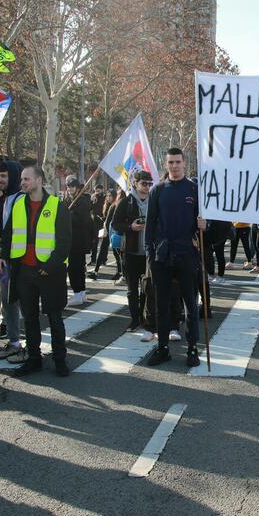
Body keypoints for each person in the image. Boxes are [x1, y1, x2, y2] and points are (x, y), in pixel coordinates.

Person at [0, 165, 72, 377]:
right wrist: (2, 255)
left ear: (39, 180)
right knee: (29, 319)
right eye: (22, 179)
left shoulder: (57, 205)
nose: (22, 183)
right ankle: (33, 359)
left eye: (26, 179)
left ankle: (60, 360)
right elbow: (7, 234)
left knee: (55, 318)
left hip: (50, 272)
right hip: (24, 271)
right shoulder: (19, 203)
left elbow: (65, 242)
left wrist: (49, 267)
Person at [143, 148, 206, 367]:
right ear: (165, 164)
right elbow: (149, 225)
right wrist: (150, 254)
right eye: (171, 162)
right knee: (162, 305)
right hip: (162, 256)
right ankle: (162, 348)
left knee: (190, 303)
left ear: (184, 163)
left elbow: (207, 224)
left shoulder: (194, 189)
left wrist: (205, 225)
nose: (174, 166)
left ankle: (192, 348)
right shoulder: (157, 190)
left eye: (178, 161)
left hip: (187, 253)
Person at [0, 162, 26, 363]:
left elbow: (10, 233)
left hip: (8, 260)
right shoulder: (0, 201)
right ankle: (10, 332)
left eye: (4, 176)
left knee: (10, 300)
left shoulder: (20, 200)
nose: (0, 180)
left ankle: (16, 341)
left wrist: (3, 256)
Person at [112, 171, 152, 333]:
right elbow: (115, 224)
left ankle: (143, 316)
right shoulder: (126, 202)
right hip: (130, 252)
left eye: (150, 184)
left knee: (147, 288)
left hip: (149, 253)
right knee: (132, 289)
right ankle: (134, 319)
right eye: (144, 184)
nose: (147, 187)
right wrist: (131, 227)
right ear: (135, 183)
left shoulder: (155, 200)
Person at [62, 175, 92, 305]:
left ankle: (78, 293)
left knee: (76, 268)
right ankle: (81, 293)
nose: (70, 189)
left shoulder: (83, 201)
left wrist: (70, 216)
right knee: (77, 267)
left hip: (78, 240)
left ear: (78, 188)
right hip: (70, 238)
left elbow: (85, 221)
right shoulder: (67, 199)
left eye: (72, 186)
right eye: (68, 186)